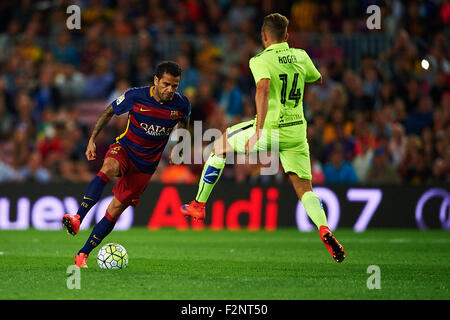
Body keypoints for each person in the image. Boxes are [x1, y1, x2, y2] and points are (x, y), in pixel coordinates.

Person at [181, 13, 345, 263]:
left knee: (219, 146)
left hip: (270, 128)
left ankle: (198, 205)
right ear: (287, 36)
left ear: (264, 36)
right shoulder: (301, 55)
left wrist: (258, 128)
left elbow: (263, 88)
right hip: (297, 130)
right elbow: (318, 79)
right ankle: (324, 228)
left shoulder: (260, 59)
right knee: (304, 189)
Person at [62, 61, 191, 268]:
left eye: (175, 86)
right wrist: (92, 139)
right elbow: (108, 112)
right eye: (166, 84)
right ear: (156, 80)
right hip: (125, 149)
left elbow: (185, 123)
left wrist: (181, 146)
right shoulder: (135, 96)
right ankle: (78, 217)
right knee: (108, 168)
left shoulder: (181, 104)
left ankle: (82, 254)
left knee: (115, 209)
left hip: (146, 166)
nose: (170, 90)